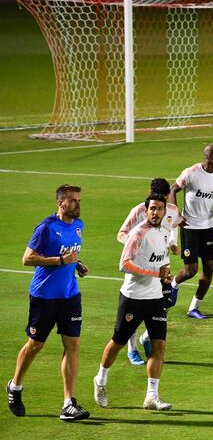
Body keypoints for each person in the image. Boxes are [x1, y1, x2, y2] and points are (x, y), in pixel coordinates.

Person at [7, 184, 90, 421]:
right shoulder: (46, 228)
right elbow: (27, 258)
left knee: (73, 345)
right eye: (73, 201)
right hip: (44, 297)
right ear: (60, 203)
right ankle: (15, 386)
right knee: (35, 345)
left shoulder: (78, 226)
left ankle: (68, 403)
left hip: (70, 296)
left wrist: (77, 264)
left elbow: (70, 254)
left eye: (79, 200)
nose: (78, 204)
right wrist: (61, 260)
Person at [93, 194, 174, 412]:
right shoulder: (137, 233)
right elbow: (124, 264)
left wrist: (166, 276)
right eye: (152, 209)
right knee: (118, 342)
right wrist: (154, 272)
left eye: (159, 209)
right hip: (133, 297)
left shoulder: (165, 232)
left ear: (165, 211)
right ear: (146, 211)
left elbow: (163, 260)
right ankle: (100, 380)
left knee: (159, 346)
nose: (156, 213)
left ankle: (151, 397)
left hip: (155, 298)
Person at [117, 178, 181, 365]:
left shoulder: (172, 210)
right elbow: (121, 233)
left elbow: (173, 227)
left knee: (167, 303)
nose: (160, 204)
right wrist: (136, 244)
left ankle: (147, 337)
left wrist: (173, 244)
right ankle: (132, 349)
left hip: (161, 264)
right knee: (135, 309)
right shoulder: (139, 211)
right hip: (141, 266)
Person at [169, 144, 213, 319]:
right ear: (211, 157)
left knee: (210, 267)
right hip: (190, 228)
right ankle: (173, 284)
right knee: (191, 271)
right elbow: (173, 190)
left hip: (209, 228)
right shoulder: (191, 173)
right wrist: (177, 214)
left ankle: (193, 308)